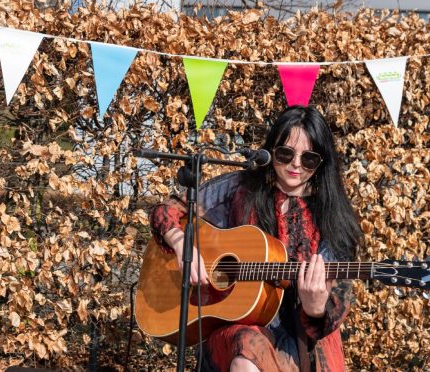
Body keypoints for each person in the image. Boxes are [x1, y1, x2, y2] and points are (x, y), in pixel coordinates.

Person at [149, 105, 362, 371]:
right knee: (245, 350)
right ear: (271, 152)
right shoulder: (240, 188)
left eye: (308, 159)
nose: (296, 164)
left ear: (321, 164)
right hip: (234, 326)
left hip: (300, 341)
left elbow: (335, 305)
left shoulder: (330, 217)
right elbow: (165, 210)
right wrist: (182, 246)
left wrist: (316, 308)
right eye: (285, 154)